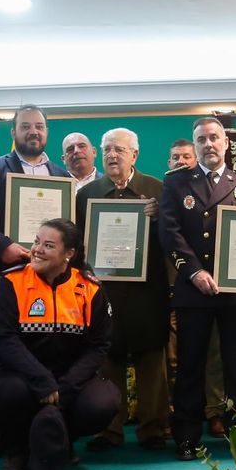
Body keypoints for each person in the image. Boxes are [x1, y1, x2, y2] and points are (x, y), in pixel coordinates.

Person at [0, 105, 70, 454]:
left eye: (39, 126)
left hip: (47, 284)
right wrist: (3, 246)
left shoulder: (60, 175)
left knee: (42, 351)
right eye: (25, 126)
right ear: (14, 133)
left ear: (46, 132)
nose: (33, 132)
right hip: (0, 278)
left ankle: (43, 423)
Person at [0, 218, 121, 470]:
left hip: (68, 378)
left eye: (48, 245)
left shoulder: (90, 289)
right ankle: (18, 451)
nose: (37, 250)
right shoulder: (11, 282)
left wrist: (65, 388)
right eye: (36, 242)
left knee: (104, 402)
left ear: (69, 254)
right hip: (20, 375)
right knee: (8, 393)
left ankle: (61, 440)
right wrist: (42, 381)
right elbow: (4, 339)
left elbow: (98, 346)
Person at [159, 116, 236, 460]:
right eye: (201, 139)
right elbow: (169, 233)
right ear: (195, 145)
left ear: (227, 142)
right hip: (194, 289)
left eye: (214, 138)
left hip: (235, 291)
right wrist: (195, 272)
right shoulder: (176, 184)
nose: (208, 144)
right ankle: (187, 436)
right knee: (190, 365)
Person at [75, 127, 172, 452]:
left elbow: (171, 242)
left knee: (151, 358)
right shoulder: (88, 195)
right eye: (107, 150)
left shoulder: (157, 190)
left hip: (148, 292)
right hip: (104, 292)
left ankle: (153, 428)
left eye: (119, 149)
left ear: (135, 155)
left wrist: (158, 219)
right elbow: (79, 247)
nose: (112, 156)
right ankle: (109, 430)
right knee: (108, 358)